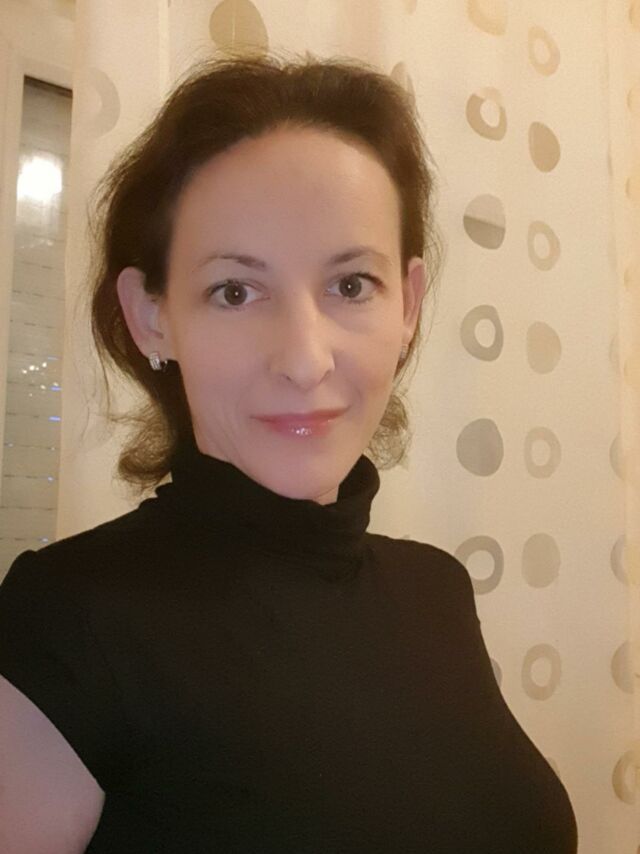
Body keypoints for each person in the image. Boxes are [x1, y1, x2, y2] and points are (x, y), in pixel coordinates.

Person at [0, 53, 578, 853]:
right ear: (153, 316)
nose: (305, 360)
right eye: (236, 291)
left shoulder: (437, 589)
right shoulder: (64, 623)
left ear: (408, 304)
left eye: (351, 285)